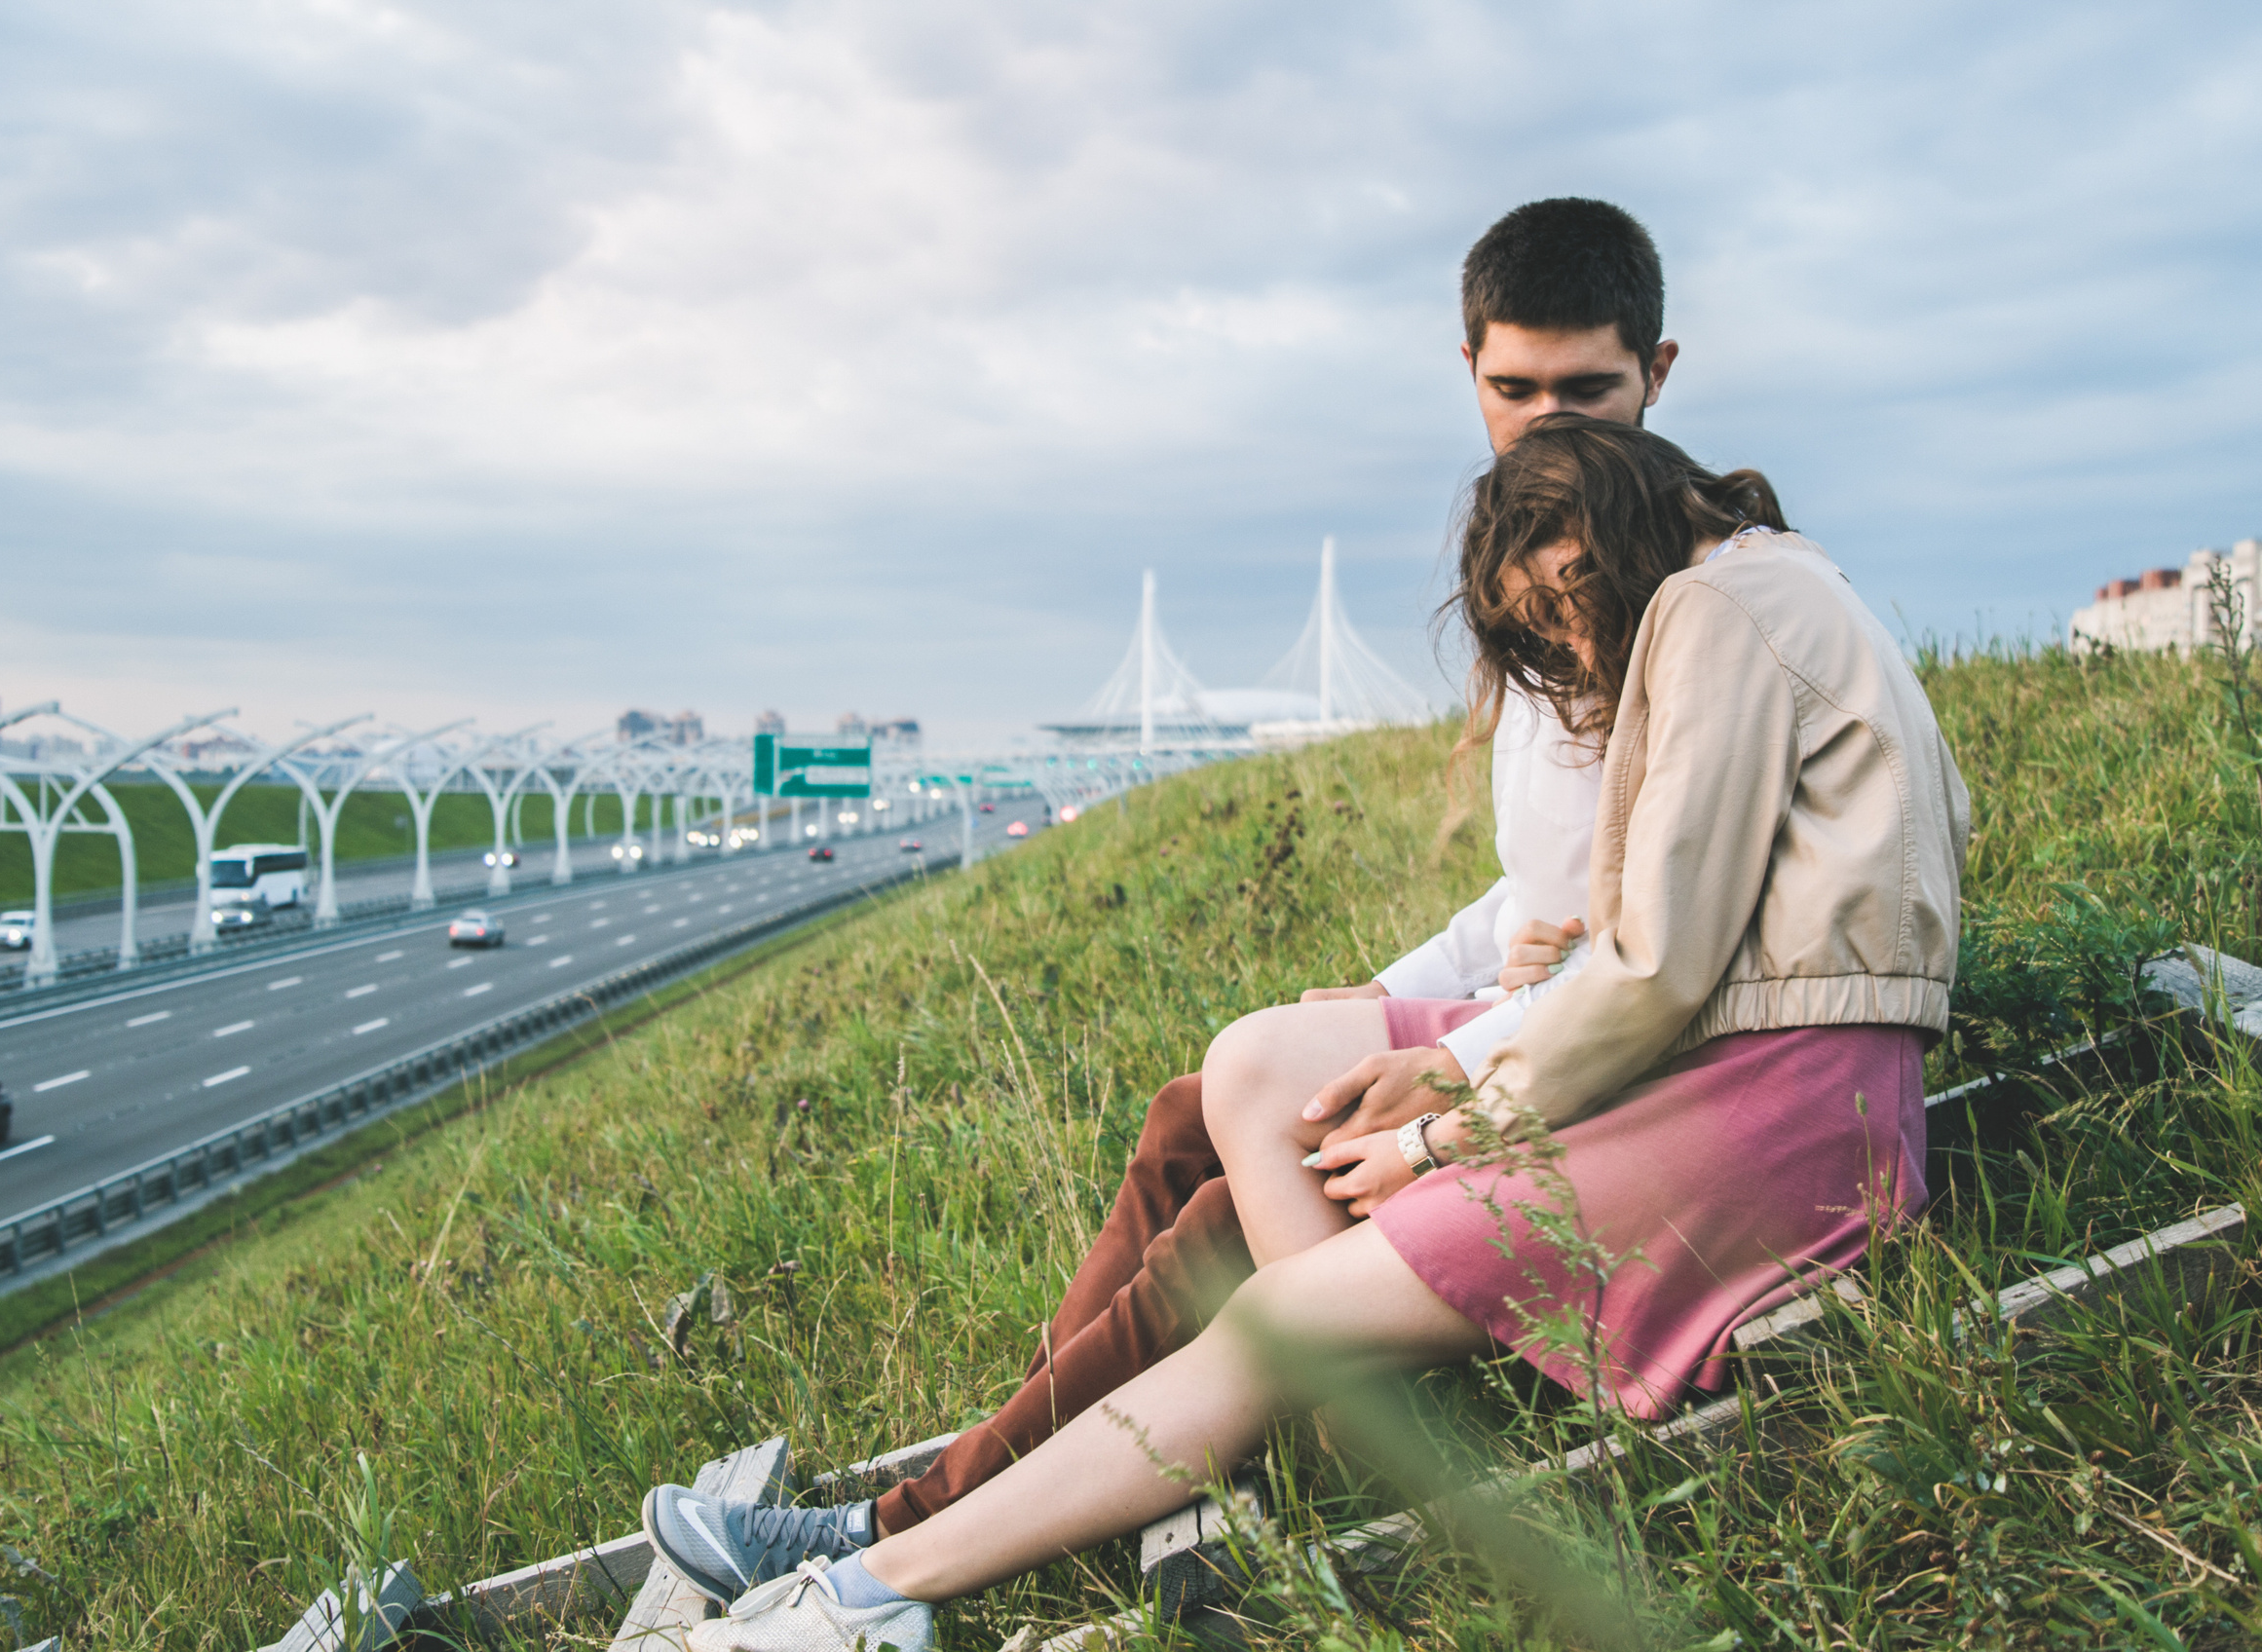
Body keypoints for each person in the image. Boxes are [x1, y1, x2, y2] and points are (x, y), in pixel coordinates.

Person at [683, 414, 1970, 1650]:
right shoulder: (1766, 590)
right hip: (1749, 1065)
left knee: (1271, 1312)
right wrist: (1446, 1052)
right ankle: (1352, 1433)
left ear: (1589, 551)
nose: (1570, 655)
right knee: (1256, 1065)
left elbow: (1660, 964)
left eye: (1556, 613)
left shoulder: (1719, 609)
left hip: (1773, 1108)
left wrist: (1452, 1130)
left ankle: (878, 1584)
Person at [640, 198, 1678, 1603]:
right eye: (1515, 389)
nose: (1550, 425)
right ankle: (968, 1485)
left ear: (1657, 376)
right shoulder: (1536, 565)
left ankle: (904, 1534)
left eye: (1588, 390)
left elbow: (1664, 931)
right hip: (1522, 1032)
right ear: (1468, 372)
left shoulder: (1671, 598)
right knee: (1193, 1113)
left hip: (1583, 1083)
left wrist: (1477, 1028)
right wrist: (1379, 989)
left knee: (1221, 1220)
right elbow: (1541, 884)